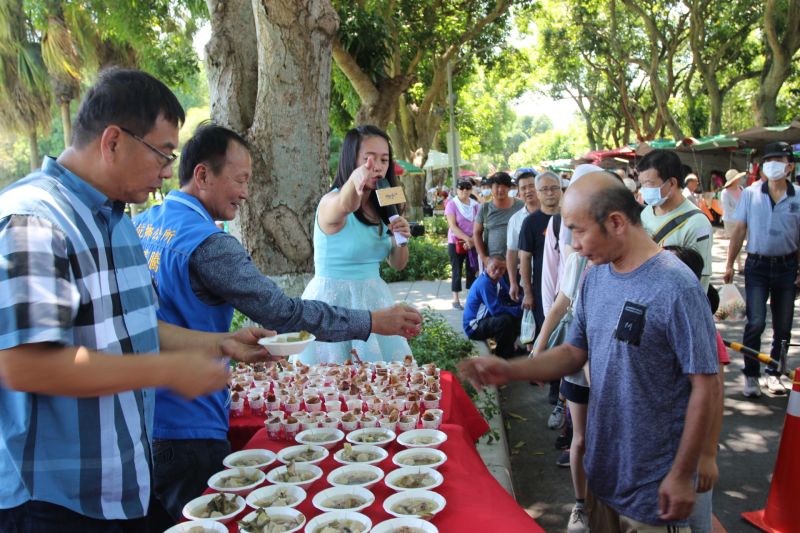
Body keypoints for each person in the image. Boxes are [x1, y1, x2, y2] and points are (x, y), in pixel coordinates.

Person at [0, 69, 273, 532]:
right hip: (54, 502)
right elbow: (25, 365)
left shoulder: (120, 220)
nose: (170, 170)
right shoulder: (34, 220)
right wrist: (165, 371)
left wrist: (219, 344)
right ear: (112, 141)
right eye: (163, 153)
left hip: (126, 479)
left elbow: (137, 328)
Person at [134, 123, 423, 528]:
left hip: (139, 415)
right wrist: (372, 320)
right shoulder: (208, 243)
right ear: (202, 175)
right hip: (188, 419)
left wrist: (223, 342)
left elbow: (140, 326)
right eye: (240, 179)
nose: (247, 192)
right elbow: (284, 312)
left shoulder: (141, 226)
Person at [459, 171, 721, 531]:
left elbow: (706, 385)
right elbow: (573, 352)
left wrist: (682, 472)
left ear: (615, 222)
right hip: (604, 474)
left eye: (578, 231)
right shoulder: (596, 276)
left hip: (655, 488)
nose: (575, 244)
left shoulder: (676, 286)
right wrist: (511, 368)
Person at [299, 125, 412, 364]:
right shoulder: (331, 202)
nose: (378, 166)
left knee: (381, 388)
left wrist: (401, 239)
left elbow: (398, 264)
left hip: (375, 302)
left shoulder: (386, 204)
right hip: (332, 305)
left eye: (384, 159)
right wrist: (354, 182)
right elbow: (346, 204)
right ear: (352, 159)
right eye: (369, 159)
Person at [723, 141, 800, 398]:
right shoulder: (751, 194)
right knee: (755, 322)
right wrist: (729, 264)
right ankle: (751, 375)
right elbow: (740, 230)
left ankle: (774, 374)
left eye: (778, 160)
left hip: (787, 267)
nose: (771, 165)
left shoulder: (798, 197)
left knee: (783, 326)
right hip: (756, 265)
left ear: (789, 166)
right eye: (768, 160)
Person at [533, 249, 590, 532]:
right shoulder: (577, 260)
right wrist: (538, 349)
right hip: (578, 366)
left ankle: (610, 502)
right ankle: (581, 505)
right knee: (579, 439)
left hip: (615, 369)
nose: (574, 241)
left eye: (580, 229)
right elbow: (560, 305)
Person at [638, 150, 713, 291]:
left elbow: (700, 279)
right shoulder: (647, 212)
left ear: (672, 183)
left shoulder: (696, 223)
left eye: (649, 184)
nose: (643, 190)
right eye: (642, 184)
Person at [518, 171, 563, 335]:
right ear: (537, 193)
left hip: (567, 287)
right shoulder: (530, 222)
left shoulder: (569, 217)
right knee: (545, 332)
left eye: (554, 188)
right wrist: (528, 293)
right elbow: (524, 258)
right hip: (542, 289)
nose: (550, 193)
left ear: (561, 190)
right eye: (544, 189)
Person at [463, 256, 522, 358]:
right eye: (494, 267)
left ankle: (510, 349)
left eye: (502, 269)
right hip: (473, 327)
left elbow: (508, 297)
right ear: (486, 266)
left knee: (513, 316)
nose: (498, 271)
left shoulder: (499, 280)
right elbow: (496, 310)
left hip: (485, 319)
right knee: (505, 321)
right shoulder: (484, 283)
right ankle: (503, 357)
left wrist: (522, 301)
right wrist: (519, 310)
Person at [473, 172, 524, 267]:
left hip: (519, 264)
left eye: (504, 186)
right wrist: (484, 258)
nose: (500, 190)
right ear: (491, 188)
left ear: (509, 188)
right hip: (494, 265)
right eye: (496, 186)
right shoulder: (485, 208)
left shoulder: (521, 206)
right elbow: (476, 233)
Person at [445, 179, 480, 309]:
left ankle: (471, 298)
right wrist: (467, 239)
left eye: (467, 187)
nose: (464, 190)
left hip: (472, 242)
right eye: (461, 188)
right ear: (456, 189)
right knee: (457, 270)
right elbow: (453, 227)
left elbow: (479, 224)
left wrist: (472, 240)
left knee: (472, 269)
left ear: (471, 189)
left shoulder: (475, 205)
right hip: (456, 242)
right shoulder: (452, 204)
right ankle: (456, 299)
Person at [506, 171, 540, 303]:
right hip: (528, 281)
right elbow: (512, 252)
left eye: (531, 186)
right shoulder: (515, 219)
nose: (528, 191)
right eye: (523, 188)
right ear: (519, 193)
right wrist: (513, 282)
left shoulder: (553, 214)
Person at [720, 168, 745, 272]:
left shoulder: (741, 189)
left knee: (740, 242)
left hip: (741, 220)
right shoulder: (725, 192)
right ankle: (735, 265)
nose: (739, 179)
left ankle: (736, 264)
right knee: (734, 242)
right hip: (730, 221)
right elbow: (727, 209)